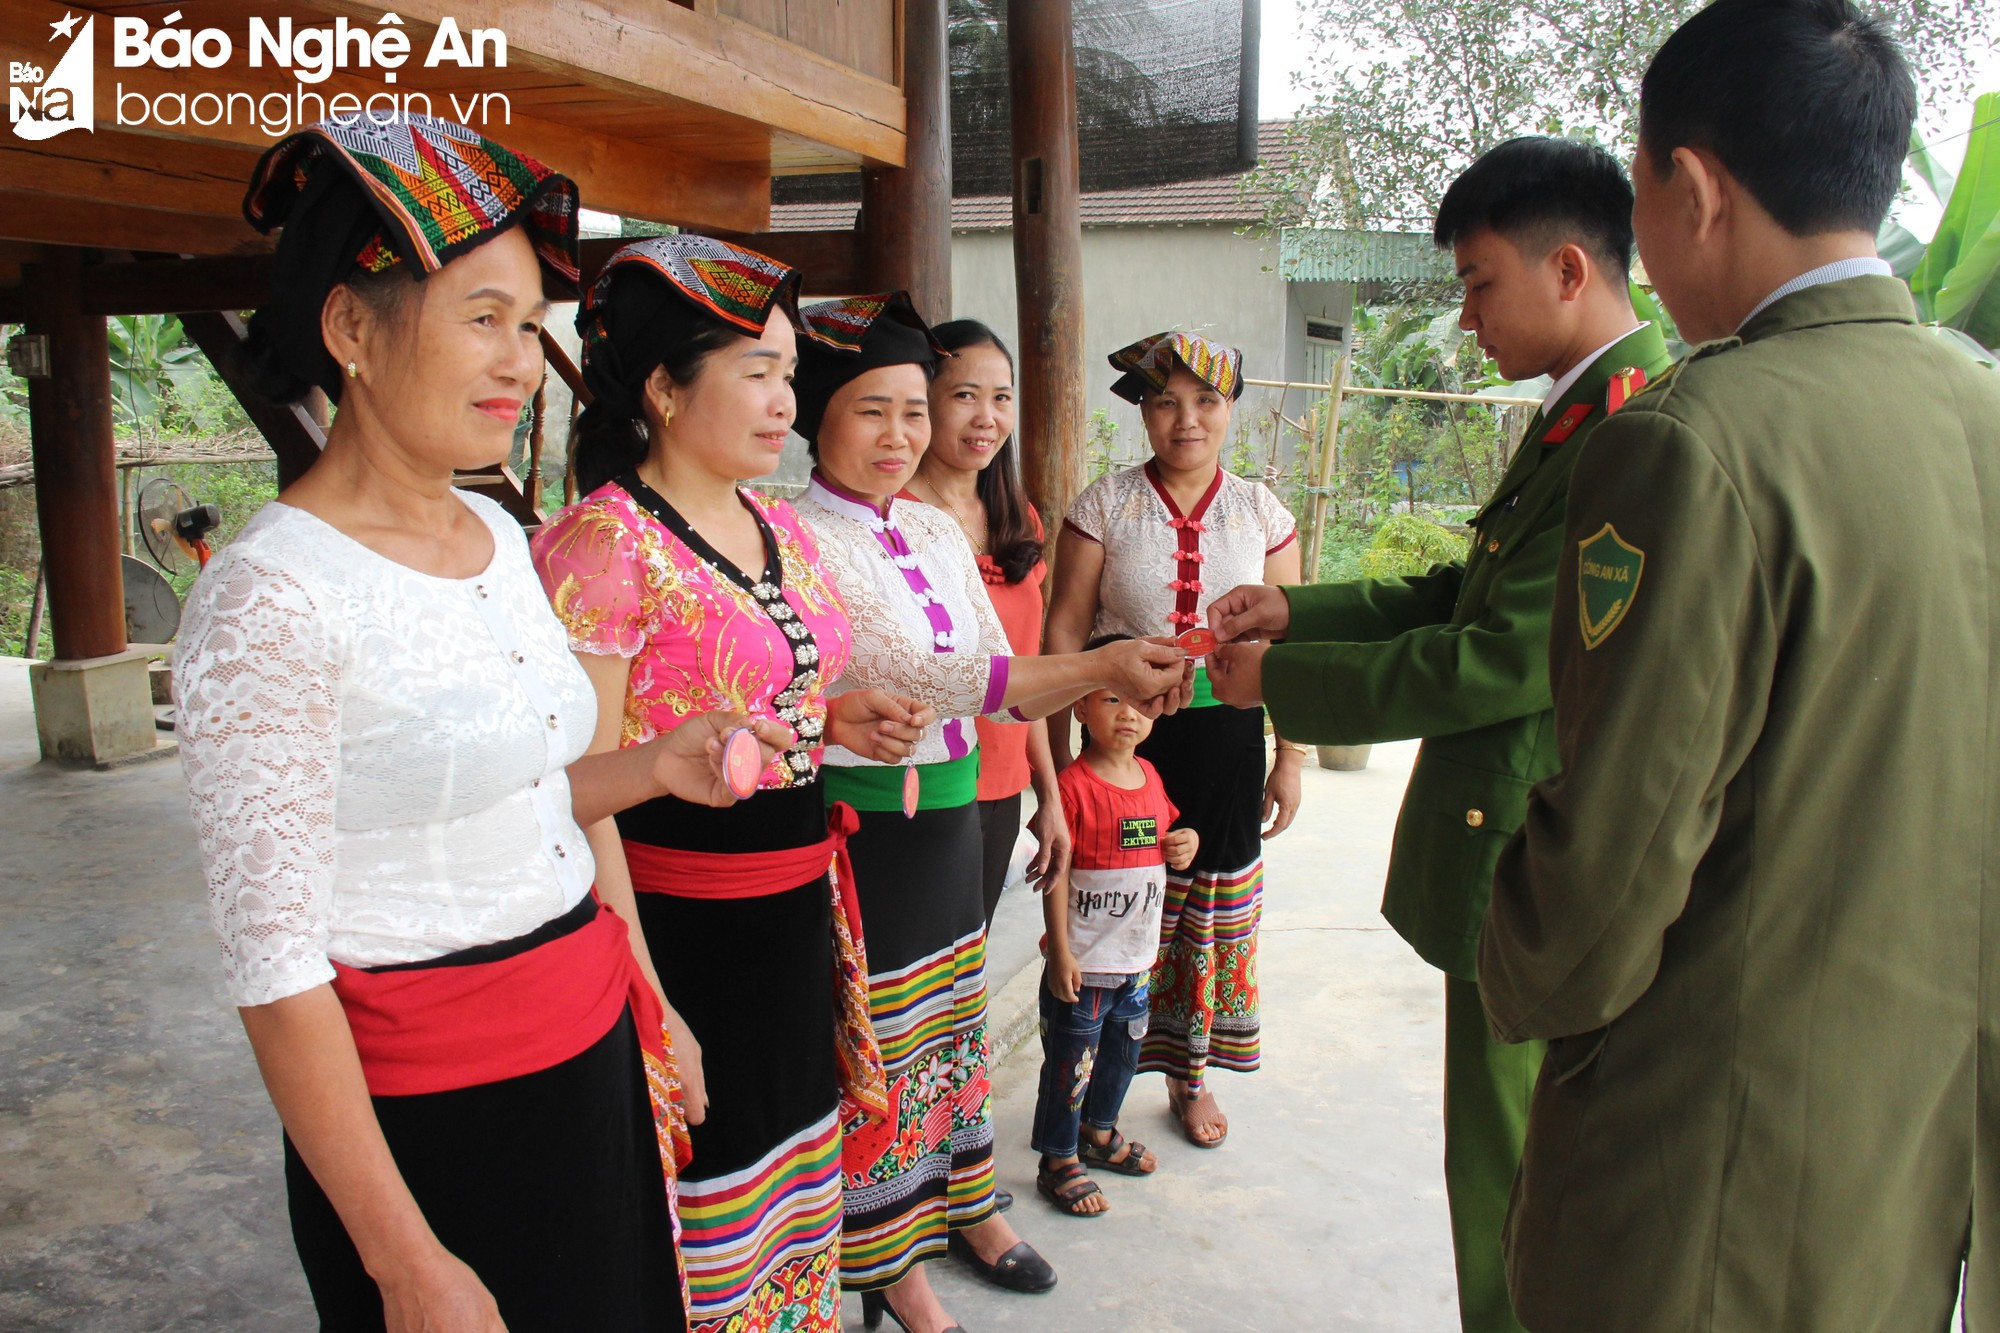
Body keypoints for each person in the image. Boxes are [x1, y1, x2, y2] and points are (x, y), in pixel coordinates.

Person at [175, 115, 794, 1331]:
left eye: (530, 325)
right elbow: (274, 965)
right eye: (482, 317)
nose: (520, 361)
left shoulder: (500, 539)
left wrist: (652, 765)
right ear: (352, 328)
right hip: (431, 1113)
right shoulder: (271, 597)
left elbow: (511, 798)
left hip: (584, 1046)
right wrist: (404, 1261)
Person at [1474, 1, 1997, 1327]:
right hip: (1916, 1151)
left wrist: (1510, 958)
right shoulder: (1980, 414)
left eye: (1641, 194)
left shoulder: (1693, 442)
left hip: (1708, 1171)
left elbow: (1607, 871)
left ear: (1693, 189)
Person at [1203, 138, 1671, 1333]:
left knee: (1507, 1167)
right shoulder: (1584, 413)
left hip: (1532, 852)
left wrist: (1280, 687)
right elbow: (1471, 591)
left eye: (1475, 283)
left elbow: (1504, 657)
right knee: (1503, 1161)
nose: (1463, 319)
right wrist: (1294, 607)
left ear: (1566, 267)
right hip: (1523, 843)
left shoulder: (1632, 424)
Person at [531, 234, 937, 1333]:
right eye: (754, 372)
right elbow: (572, 784)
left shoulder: (776, 527)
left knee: (793, 1190)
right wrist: (649, 1000)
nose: (783, 400)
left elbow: (772, 690)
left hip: (790, 915)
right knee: (700, 1213)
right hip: (677, 933)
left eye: (788, 373)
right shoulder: (601, 546)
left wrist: (832, 716)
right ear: (664, 389)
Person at [790, 292, 1191, 1333]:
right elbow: (943, 671)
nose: (902, 435)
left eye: (911, 410)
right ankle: (892, 1273)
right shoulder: (790, 534)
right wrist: (1097, 661)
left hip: (947, 823)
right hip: (858, 837)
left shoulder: (930, 525)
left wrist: (1108, 677)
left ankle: (937, 1227)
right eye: (872, 411)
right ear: (814, 414)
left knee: (944, 1046)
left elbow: (1002, 679)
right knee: (876, 1056)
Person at [1044, 331, 1303, 1152]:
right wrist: (1054, 774)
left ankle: (1187, 1075)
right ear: (1143, 412)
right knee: (1113, 905)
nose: (1185, 418)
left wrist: (1289, 756)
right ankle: (1086, 1083)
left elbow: (1290, 644)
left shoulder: (1261, 511)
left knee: (1206, 907)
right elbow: (1063, 633)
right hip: (1124, 743)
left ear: (1231, 410)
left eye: (1205, 400)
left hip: (1227, 742)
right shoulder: (1104, 506)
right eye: (1165, 401)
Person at [904, 319, 1068, 927]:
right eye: (964, 395)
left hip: (1001, 785)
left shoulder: (1017, 518)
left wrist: (1047, 794)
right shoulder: (894, 517)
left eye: (1001, 398)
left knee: (965, 969)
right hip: (920, 785)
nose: (986, 417)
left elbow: (1029, 675)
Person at [1030, 639, 1198, 1216]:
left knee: (1122, 1058)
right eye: (1111, 699)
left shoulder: (1150, 776)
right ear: (1080, 706)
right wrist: (1060, 955)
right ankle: (1058, 1158)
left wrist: (1185, 844)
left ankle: (1099, 1134)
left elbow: (1168, 840)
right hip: (1085, 965)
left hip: (1135, 962)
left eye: (1139, 702)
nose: (1128, 714)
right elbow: (1057, 873)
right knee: (1070, 1065)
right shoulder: (1072, 790)